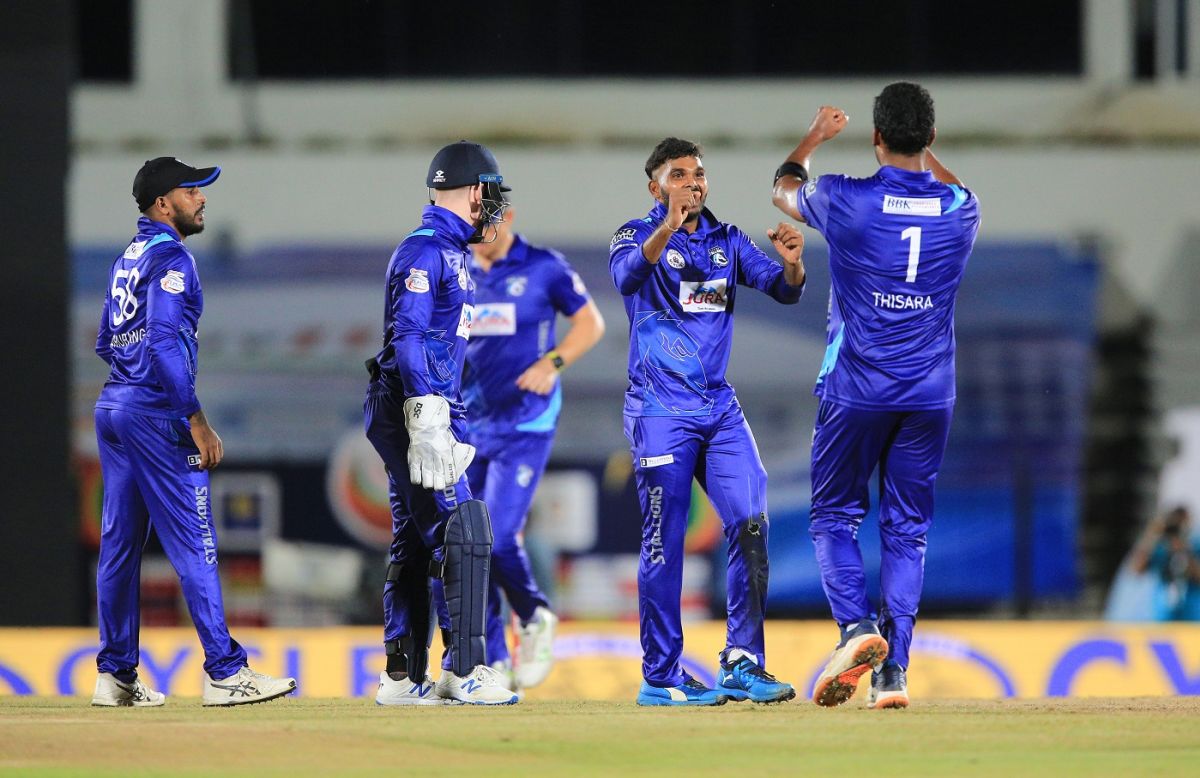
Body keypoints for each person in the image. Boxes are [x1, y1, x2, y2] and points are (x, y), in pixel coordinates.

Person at [771, 83, 981, 709]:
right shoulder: (961, 209)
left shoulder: (845, 197)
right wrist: (925, 160)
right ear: (933, 139)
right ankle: (895, 675)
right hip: (930, 392)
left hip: (857, 388)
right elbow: (954, 186)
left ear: (875, 138)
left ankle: (858, 630)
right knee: (907, 530)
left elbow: (782, 191)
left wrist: (811, 139)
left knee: (833, 515)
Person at [92, 157, 296, 707]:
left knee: (118, 549)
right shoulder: (172, 258)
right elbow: (161, 342)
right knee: (195, 542)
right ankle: (226, 673)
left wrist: (132, 388)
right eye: (192, 190)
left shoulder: (126, 258)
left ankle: (115, 677)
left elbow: (107, 343)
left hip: (114, 406)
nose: (203, 198)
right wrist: (194, 418)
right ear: (164, 204)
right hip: (157, 415)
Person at [610, 137, 806, 706]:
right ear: (655, 187)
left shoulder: (728, 241)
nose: (693, 183)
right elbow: (626, 278)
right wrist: (666, 229)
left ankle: (743, 661)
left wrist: (793, 264)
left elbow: (783, 291)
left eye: (699, 174)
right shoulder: (634, 235)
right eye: (679, 175)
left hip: (719, 410)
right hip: (659, 411)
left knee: (750, 519)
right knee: (664, 542)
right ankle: (661, 675)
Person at [365, 141, 518, 706]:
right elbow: (406, 335)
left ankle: (403, 675)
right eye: (492, 194)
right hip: (414, 409)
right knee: (464, 530)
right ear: (476, 191)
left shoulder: (446, 250)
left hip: (414, 406)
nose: (495, 208)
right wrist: (427, 412)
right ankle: (464, 669)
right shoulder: (427, 250)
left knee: (414, 536)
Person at [459, 203, 605, 690]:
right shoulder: (455, 267)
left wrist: (553, 363)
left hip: (526, 424)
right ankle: (493, 659)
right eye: (472, 225)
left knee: (498, 537)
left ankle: (535, 616)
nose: (480, 233)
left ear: (510, 216)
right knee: (466, 547)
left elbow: (590, 324)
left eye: (488, 223)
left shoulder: (544, 266)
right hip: (468, 427)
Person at [1129, 507, 1200, 621]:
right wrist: (1151, 535)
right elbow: (1136, 569)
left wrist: (1185, 551)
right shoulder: (1160, 548)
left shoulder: (1195, 544)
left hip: (1192, 609)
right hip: (1164, 608)